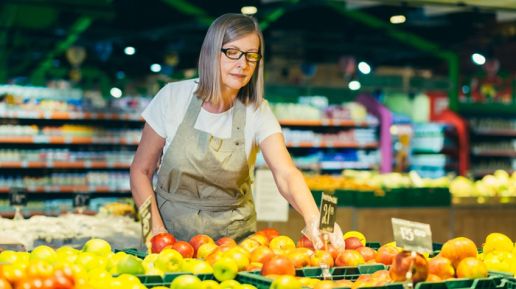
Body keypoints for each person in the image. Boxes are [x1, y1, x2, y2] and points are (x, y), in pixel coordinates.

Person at [130, 13, 344, 249]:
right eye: (233, 52)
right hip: (170, 238)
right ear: (212, 52)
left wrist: (315, 217)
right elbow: (141, 170)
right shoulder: (172, 97)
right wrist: (155, 232)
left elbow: (286, 173)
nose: (243, 64)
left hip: (235, 246)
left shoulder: (257, 111)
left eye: (251, 55)